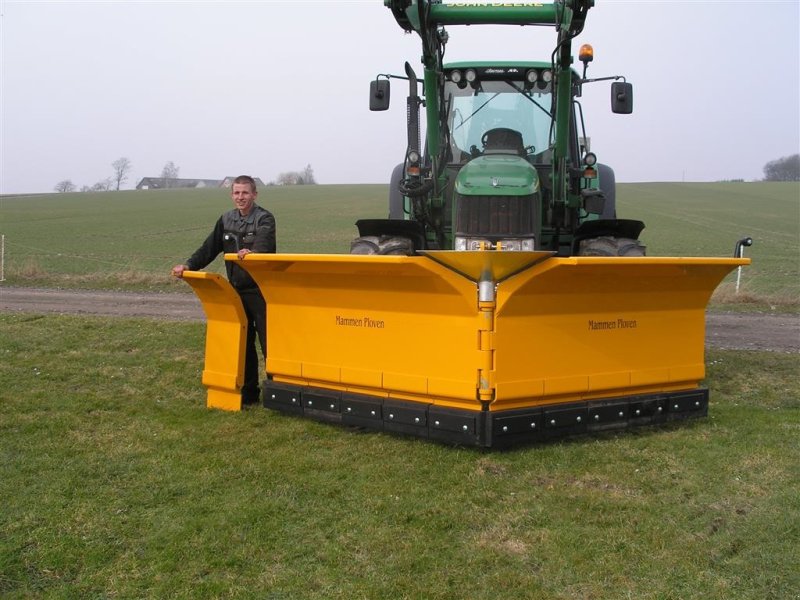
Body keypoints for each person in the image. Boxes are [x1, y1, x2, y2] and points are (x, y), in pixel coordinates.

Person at [172, 175, 276, 405]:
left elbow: (265, 244)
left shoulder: (264, 218)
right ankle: (249, 394)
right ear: (232, 195)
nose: (241, 197)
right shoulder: (226, 219)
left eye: (245, 193)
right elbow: (209, 248)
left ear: (254, 194)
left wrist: (254, 254)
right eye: (237, 193)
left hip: (263, 291)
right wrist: (188, 266)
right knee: (244, 343)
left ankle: (276, 394)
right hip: (236, 291)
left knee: (270, 343)